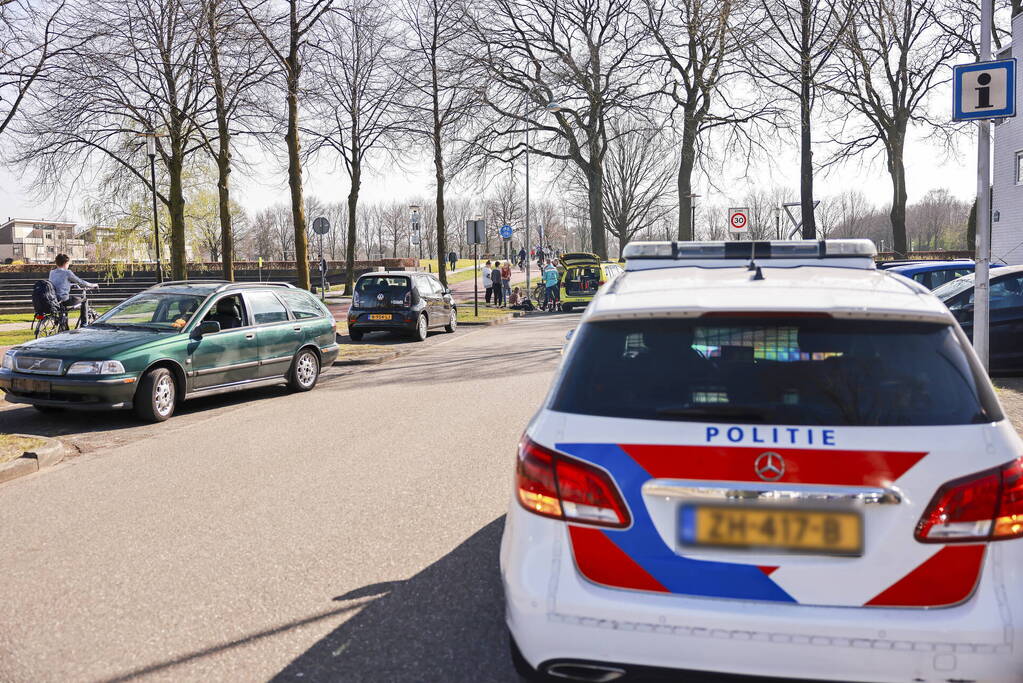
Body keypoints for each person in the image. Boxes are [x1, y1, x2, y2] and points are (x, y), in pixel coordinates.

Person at [48, 254, 97, 320]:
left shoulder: (52, 272)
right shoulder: (67, 272)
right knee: (84, 300)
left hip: (54, 299)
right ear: (66, 263)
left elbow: (57, 283)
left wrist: (69, 285)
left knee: (63, 309)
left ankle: (64, 326)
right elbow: (80, 282)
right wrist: (93, 285)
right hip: (63, 299)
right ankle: (84, 323)